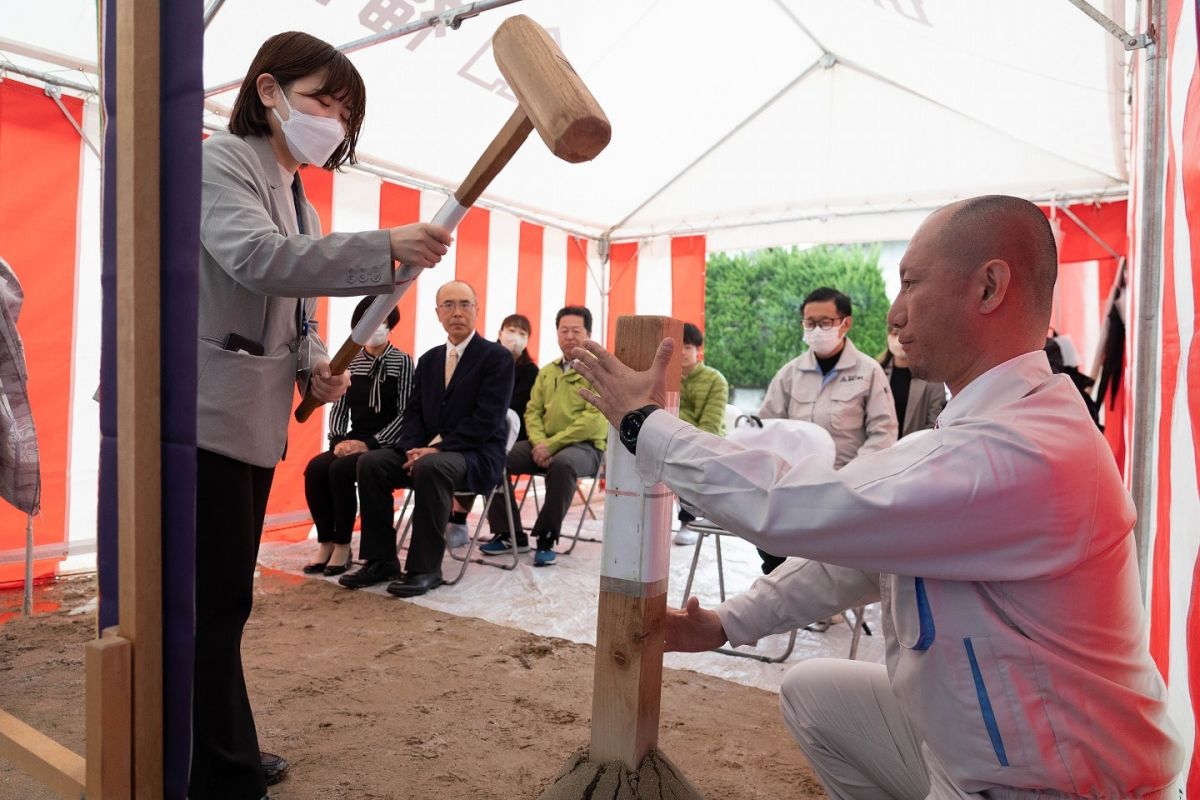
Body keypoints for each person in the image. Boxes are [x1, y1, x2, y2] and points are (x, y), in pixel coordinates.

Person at [569, 195, 1181, 799]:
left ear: (989, 288)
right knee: (813, 695)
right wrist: (727, 623)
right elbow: (861, 554)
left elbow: (788, 504)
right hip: (980, 756)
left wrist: (642, 422)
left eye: (911, 283)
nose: (896, 313)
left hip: (1058, 786)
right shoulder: (991, 425)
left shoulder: (1026, 451)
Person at [196, 31, 451, 800]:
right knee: (211, 601)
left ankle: (224, 749)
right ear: (268, 91)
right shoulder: (218, 162)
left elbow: (294, 309)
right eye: (321, 101)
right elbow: (259, 260)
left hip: (252, 419)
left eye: (346, 111)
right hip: (201, 418)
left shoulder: (298, 190)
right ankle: (214, 765)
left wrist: (313, 361)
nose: (333, 121)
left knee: (226, 599)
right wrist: (384, 247)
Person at [340, 280, 513, 596]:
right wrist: (412, 448)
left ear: (476, 310)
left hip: (475, 453)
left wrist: (435, 448)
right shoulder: (430, 359)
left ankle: (424, 568)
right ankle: (381, 561)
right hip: (425, 452)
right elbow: (414, 413)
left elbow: (486, 420)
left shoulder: (496, 358)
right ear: (437, 313)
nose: (456, 312)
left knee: (432, 468)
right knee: (371, 462)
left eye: (464, 304)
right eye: (448, 305)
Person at [756, 286, 897, 573]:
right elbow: (766, 427)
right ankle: (785, 610)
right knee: (774, 555)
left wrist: (849, 479)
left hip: (842, 490)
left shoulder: (868, 372)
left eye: (825, 322)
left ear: (845, 323)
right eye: (810, 323)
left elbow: (883, 433)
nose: (816, 329)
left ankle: (821, 611)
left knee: (823, 568)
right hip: (792, 489)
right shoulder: (790, 373)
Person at [479, 305, 606, 565]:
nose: (569, 336)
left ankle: (546, 536)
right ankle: (509, 533)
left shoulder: (598, 372)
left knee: (563, 464)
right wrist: (539, 443)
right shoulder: (547, 371)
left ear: (589, 334)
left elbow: (592, 422)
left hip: (585, 448)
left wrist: (551, 446)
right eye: (564, 330)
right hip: (544, 443)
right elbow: (532, 412)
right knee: (493, 457)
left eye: (576, 331)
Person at [303, 297, 413, 576]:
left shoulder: (402, 362)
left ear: (391, 325)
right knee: (316, 469)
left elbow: (405, 414)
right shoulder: (349, 360)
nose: (377, 327)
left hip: (387, 442)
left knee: (340, 471)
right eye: (370, 322)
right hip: (353, 438)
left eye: (383, 321)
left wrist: (369, 444)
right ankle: (326, 541)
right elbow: (339, 406)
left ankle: (343, 543)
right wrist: (338, 442)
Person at [443, 313, 539, 546]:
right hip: (477, 426)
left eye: (522, 333)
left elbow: (521, 410)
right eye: (511, 330)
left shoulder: (530, 372)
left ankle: (506, 532)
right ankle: (450, 519)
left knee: (489, 459)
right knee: (450, 454)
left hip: (511, 433)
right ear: (499, 332)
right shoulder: (482, 359)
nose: (515, 337)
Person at [671, 322, 730, 546]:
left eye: (687, 346)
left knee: (688, 458)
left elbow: (711, 426)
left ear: (698, 350)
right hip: (670, 439)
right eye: (677, 347)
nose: (682, 352)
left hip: (706, 443)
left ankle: (687, 521)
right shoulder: (665, 378)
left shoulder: (716, 380)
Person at [879, 323, 946, 438]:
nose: (899, 339)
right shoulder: (876, 372)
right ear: (888, 336)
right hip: (877, 450)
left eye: (906, 335)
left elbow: (934, 424)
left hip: (915, 450)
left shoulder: (933, 379)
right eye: (895, 333)